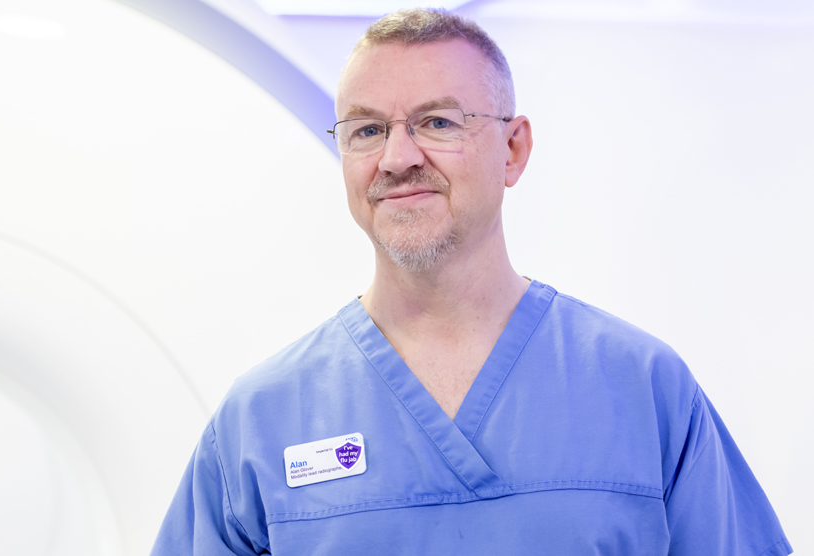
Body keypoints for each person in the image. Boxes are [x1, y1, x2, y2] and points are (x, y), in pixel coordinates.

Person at [151, 8, 791, 555]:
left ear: (512, 150)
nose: (398, 158)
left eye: (438, 122)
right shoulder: (263, 417)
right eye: (367, 130)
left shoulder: (641, 390)